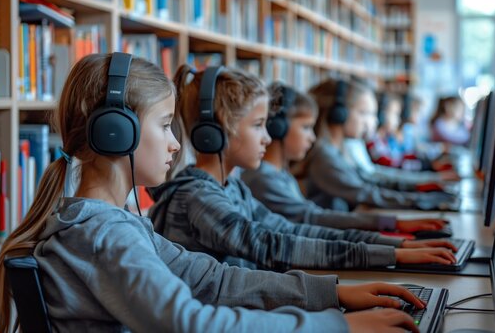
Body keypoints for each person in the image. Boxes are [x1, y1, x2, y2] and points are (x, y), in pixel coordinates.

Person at [0, 53, 425, 332]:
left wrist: (331, 294)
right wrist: (338, 327)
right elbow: (189, 321)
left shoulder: (111, 222)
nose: (178, 144)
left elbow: (212, 279)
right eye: (164, 126)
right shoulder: (106, 235)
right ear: (116, 134)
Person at [148, 65, 457, 275]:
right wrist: (391, 254)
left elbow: (289, 229)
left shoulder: (231, 187)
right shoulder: (199, 198)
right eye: (258, 126)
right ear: (213, 132)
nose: (268, 137)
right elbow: (273, 245)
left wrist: (395, 245)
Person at [241, 82, 449, 234]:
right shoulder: (268, 177)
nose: (373, 121)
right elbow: (311, 219)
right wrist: (393, 225)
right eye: (364, 113)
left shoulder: (282, 174)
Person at [304, 78, 460, 213]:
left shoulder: (340, 150)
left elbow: (371, 179)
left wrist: (428, 185)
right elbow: (366, 192)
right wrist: (423, 199)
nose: (374, 121)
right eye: (364, 113)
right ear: (340, 114)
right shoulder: (325, 156)